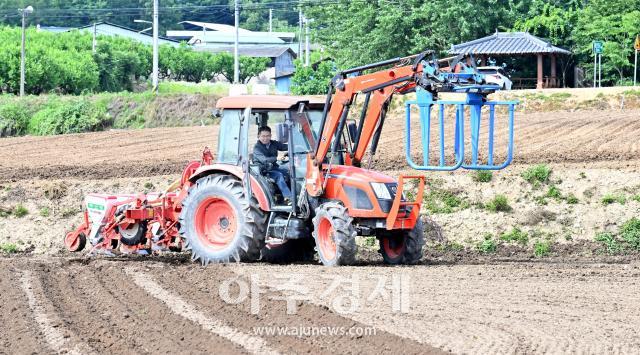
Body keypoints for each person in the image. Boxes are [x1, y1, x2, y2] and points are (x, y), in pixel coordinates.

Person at [253, 126, 292, 203]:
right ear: (258, 136)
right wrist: (277, 158)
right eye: (263, 136)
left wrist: (295, 146)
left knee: (290, 172)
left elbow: (284, 146)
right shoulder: (257, 148)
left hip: (273, 167)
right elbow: (264, 160)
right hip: (263, 170)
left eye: (268, 136)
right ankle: (289, 198)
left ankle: (293, 193)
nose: (265, 138)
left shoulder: (273, 143)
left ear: (270, 135)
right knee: (278, 175)